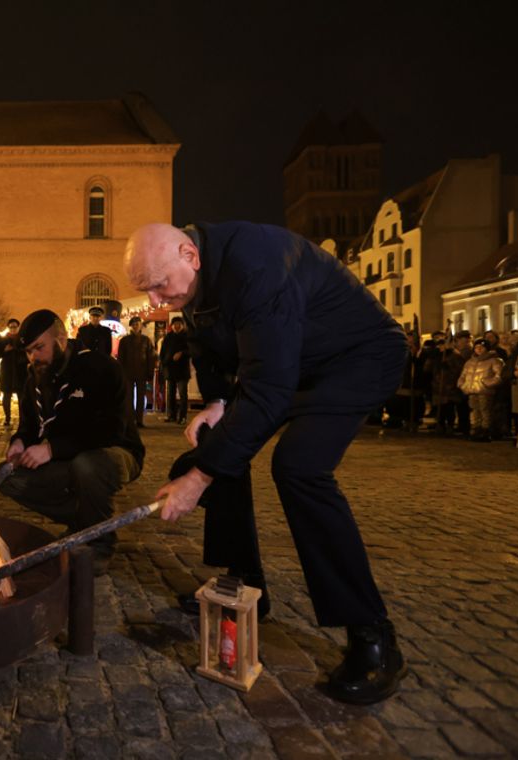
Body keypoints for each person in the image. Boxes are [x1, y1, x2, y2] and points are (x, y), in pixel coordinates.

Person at [125, 222, 408, 705]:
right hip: (297, 364)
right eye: (145, 289)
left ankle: (373, 637)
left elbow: (269, 393)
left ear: (189, 254)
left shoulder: (255, 267)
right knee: (218, 441)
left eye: (158, 284)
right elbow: (209, 347)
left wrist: (199, 478)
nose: (154, 298)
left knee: (298, 466)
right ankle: (247, 585)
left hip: (358, 359)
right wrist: (215, 401)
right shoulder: (192, 282)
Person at [0, 309, 143, 575]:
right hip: (65, 458)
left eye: (39, 348)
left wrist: (53, 448)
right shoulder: (34, 378)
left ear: (62, 339)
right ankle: (88, 522)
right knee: (8, 477)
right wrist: (19, 442)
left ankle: (99, 543)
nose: (34, 358)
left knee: (87, 466)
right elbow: (30, 426)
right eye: (29, 351)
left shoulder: (100, 368)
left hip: (114, 452)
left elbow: (111, 429)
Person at [457, 338, 504, 442]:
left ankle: (485, 430)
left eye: (481, 347)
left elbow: (499, 376)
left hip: (485, 391)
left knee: (485, 410)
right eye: (476, 347)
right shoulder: (469, 362)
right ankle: (475, 429)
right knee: (474, 410)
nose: (478, 349)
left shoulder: (494, 361)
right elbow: (463, 375)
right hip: (472, 390)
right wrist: (462, 385)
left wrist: (486, 383)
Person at [116, 316, 156, 427]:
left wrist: (150, 372)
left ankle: (139, 420)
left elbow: (150, 357)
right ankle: (130, 420)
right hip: (128, 372)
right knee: (128, 397)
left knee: (140, 397)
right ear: (131, 326)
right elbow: (121, 358)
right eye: (133, 324)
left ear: (141, 326)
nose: (135, 326)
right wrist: (121, 373)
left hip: (142, 373)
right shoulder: (124, 341)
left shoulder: (146, 340)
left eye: (137, 324)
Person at [159, 317, 190, 423]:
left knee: (182, 394)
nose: (176, 326)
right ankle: (171, 415)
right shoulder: (168, 337)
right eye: (175, 324)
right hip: (170, 369)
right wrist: (162, 363)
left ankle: (183, 416)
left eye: (179, 324)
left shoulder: (187, 336)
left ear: (182, 325)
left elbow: (192, 350)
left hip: (182, 370)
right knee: (170, 394)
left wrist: (182, 353)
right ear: (171, 326)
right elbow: (162, 352)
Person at [0, 317, 26, 426]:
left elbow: (27, 352)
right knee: (6, 395)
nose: (13, 329)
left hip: (20, 371)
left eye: (15, 327)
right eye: (11, 327)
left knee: (21, 397)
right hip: (7, 371)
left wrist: (19, 350)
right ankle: (7, 417)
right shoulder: (4, 339)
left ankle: (22, 418)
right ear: (8, 328)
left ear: (18, 327)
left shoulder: (22, 339)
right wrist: (4, 351)